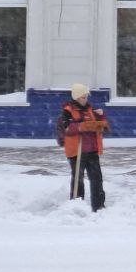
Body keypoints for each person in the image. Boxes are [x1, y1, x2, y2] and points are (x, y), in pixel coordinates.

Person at [55, 83, 111, 212]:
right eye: (83, 97)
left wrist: (101, 117)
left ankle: (99, 207)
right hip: (77, 152)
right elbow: (67, 128)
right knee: (78, 180)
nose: (85, 100)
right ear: (76, 98)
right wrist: (81, 126)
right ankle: (76, 206)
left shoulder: (91, 110)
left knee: (97, 179)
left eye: (86, 97)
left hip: (92, 150)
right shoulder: (68, 111)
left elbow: (103, 127)